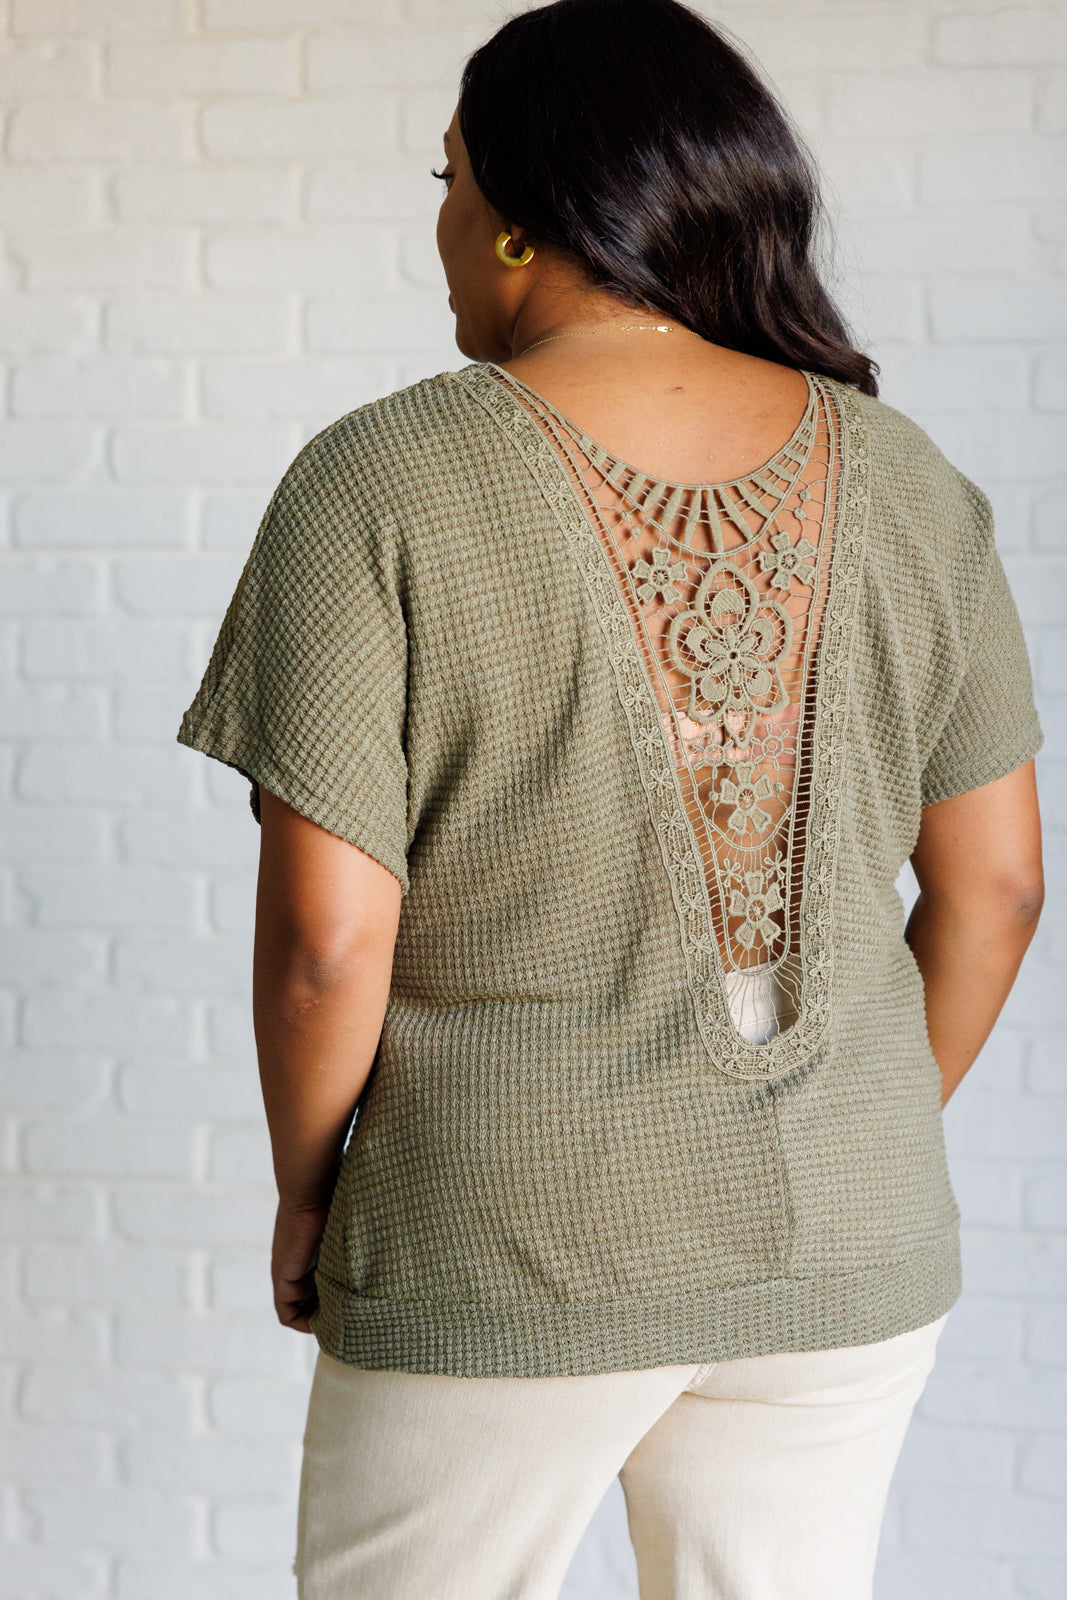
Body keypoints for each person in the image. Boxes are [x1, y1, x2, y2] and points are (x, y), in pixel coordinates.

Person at [176, 1, 1045, 1595]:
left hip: (500, 1234)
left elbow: (324, 945)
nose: (440, 219)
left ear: (521, 213)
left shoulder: (380, 482)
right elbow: (998, 888)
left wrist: (308, 1193)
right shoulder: (914, 481)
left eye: (447, 177)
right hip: (842, 1246)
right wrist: (848, 1133)